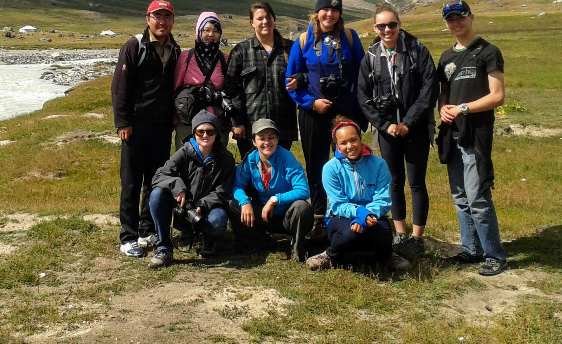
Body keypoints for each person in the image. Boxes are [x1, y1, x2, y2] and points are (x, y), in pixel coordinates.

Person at [358, 3, 438, 260]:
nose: (387, 29)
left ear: (399, 24)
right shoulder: (370, 56)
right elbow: (363, 96)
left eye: (391, 24)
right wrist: (385, 125)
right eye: (381, 26)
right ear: (375, 28)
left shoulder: (418, 51)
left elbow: (429, 91)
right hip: (387, 131)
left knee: (416, 183)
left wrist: (409, 122)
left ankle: (417, 238)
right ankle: (400, 232)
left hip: (415, 129)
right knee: (394, 181)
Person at [436, 0, 509, 276]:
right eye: (450, 19)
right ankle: (472, 250)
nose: (456, 23)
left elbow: (498, 96)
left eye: (460, 17)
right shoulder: (445, 57)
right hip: (451, 133)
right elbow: (445, 91)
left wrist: (464, 108)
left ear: (471, 17)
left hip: (475, 133)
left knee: (477, 196)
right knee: (459, 196)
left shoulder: (488, 51)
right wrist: (443, 107)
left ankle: (495, 255)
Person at [286, 0, 365, 226]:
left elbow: (363, 75)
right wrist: (311, 102)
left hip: (346, 112)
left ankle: (350, 214)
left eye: (334, 9)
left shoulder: (350, 38)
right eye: (325, 9)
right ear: (317, 11)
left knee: (350, 162)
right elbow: (290, 82)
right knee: (316, 165)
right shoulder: (303, 40)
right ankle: (319, 216)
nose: (329, 14)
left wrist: (361, 109)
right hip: (314, 113)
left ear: (340, 13)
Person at [111, 0, 180, 258]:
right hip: (136, 125)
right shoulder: (134, 46)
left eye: (167, 17)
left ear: (173, 21)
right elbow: (120, 87)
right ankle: (128, 237)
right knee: (131, 182)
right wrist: (123, 122)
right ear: (147, 18)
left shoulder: (175, 50)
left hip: (161, 126)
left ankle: (146, 229)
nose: (162, 22)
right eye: (157, 16)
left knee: (154, 181)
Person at [305, 117, 410, 272]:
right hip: (341, 216)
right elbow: (338, 204)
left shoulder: (379, 164)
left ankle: (387, 255)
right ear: (337, 146)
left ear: (361, 139)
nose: (350, 146)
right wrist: (359, 212)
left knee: (383, 236)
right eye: (343, 143)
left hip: (373, 215)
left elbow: (383, 199)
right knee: (348, 235)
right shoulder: (330, 168)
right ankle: (330, 255)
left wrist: (366, 215)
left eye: (353, 140)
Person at [147, 111, 236, 269]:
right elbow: (159, 176)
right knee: (157, 194)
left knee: (218, 219)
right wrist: (178, 187)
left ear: (217, 133)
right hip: (182, 207)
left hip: (207, 209)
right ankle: (164, 248)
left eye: (210, 131)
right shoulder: (183, 152)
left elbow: (223, 191)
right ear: (194, 133)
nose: (205, 135)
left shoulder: (226, 158)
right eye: (200, 131)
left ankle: (208, 242)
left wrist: (201, 205)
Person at [228, 118, 313, 262]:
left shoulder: (287, 157)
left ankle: (298, 247)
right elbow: (237, 186)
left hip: (288, 216)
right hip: (265, 215)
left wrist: (275, 199)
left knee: (302, 207)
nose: (267, 142)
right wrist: (245, 202)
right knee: (233, 203)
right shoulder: (249, 160)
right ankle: (255, 242)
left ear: (278, 139)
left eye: (271, 137)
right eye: (261, 138)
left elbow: (304, 190)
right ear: (254, 142)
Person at [226, 2, 299, 159]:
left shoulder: (291, 49)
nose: (265, 22)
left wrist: (300, 79)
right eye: (260, 19)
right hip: (250, 127)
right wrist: (236, 122)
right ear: (252, 23)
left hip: (283, 126)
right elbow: (232, 89)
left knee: (279, 173)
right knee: (252, 175)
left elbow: (305, 74)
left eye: (268, 17)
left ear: (274, 19)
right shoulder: (241, 51)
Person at [172, 12, 231, 146]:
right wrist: (176, 120)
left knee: (216, 163)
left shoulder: (224, 59)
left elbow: (231, 89)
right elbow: (176, 88)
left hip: (217, 122)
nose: (211, 34)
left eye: (216, 31)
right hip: (188, 121)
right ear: (199, 31)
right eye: (207, 30)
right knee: (186, 162)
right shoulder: (186, 57)